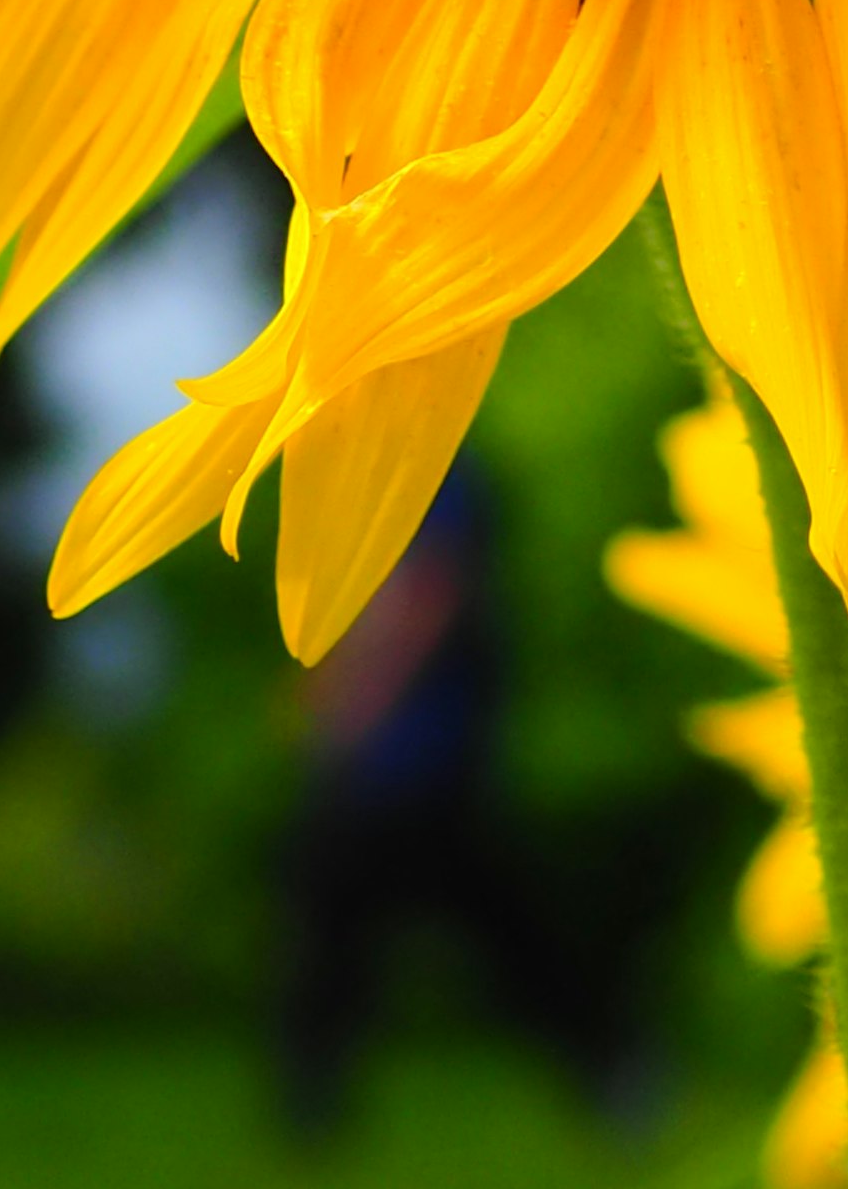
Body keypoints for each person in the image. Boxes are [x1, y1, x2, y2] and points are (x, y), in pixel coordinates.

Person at [273, 461, 650, 1143]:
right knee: (352, 928)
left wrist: (356, 700)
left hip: (420, 753)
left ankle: (611, 1065)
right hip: (400, 756)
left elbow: (428, 591)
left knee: (472, 927)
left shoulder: (438, 466)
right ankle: (311, 1102)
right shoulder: (386, 464)